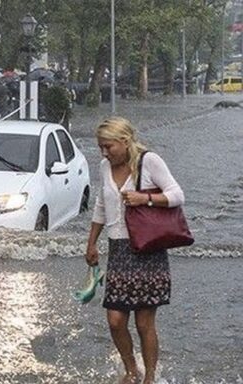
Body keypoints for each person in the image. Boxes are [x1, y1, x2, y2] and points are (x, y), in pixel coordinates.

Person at [86, 117, 185, 384]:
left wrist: (146, 198)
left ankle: (149, 377)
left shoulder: (149, 161)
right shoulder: (104, 166)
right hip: (118, 250)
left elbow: (177, 195)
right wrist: (92, 241)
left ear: (125, 141)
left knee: (144, 323)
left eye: (108, 146)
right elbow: (101, 204)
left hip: (147, 249)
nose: (104, 153)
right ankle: (131, 370)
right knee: (115, 320)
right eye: (100, 148)